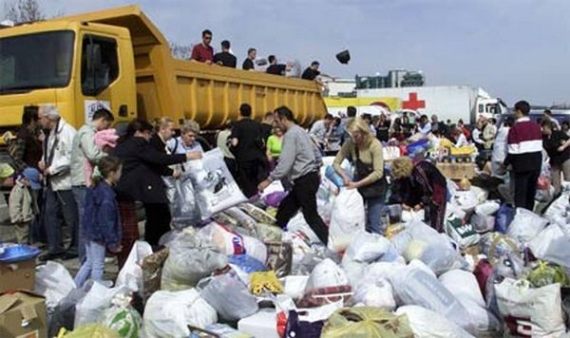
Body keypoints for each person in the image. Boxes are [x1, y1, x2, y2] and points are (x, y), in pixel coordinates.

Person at [113, 119, 196, 252]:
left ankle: (152, 247)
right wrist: (186, 156)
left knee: (138, 223)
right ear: (139, 132)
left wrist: (170, 171)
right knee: (157, 218)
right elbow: (158, 159)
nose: (148, 137)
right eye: (147, 134)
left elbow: (152, 162)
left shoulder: (123, 144)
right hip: (139, 188)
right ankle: (156, 247)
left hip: (124, 188)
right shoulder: (138, 143)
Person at [257, 106, 328, 245]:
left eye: (277, 121)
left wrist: (268, 180)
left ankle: (330, 243)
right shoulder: (301, 131)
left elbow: (285, 164)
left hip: (304, 179)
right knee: (285, 208)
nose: (275, 125)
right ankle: (273, 240)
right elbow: (316, 152)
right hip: (309, 177)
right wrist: (317, 167)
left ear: (284, 119)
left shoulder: (290, 135)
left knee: (311, 216)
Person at [70, 108, 115, 262]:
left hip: (84, 180)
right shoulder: (86, 132)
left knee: (89, 218)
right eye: (107, 125)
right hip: (83, 181)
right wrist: (109, 157)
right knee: (86, 220)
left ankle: (91, 256)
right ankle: (86, 258)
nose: (107, 129)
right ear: (102, 120)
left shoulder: (87, 131)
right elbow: (92, 154)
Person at [38, 105, 79, 261]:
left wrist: (52, 168)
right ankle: (55, 247)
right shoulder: (49, 134)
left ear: (49, 117)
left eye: (41, 117)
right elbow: (48, 153)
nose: (40, 121)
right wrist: (42, 162)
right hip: (51, 182)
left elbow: (70, 157)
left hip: (64, 181)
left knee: (71, 216)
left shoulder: (67, 132)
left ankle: (75, 246)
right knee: (50, 214)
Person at [74, 156, 123, 287]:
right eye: (119, 171)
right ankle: (95, 292)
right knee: (98, 265)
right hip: (98, 234)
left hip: (89, 230)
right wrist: (113, 242)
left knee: (89, 262)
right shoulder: (107, 195)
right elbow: (107, 221)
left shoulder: (95, 186)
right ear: (112, 173)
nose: (121, 174)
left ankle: (75, 286)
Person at [333, 118, 386, 234]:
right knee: (355, 222)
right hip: (358, 185)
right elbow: (336, 163)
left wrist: (356, 184)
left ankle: (377, 248)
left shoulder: (375, 145)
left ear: (364, 133)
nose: (354, 139)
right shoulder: (350, 144)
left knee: (374, 223)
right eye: (351, 136)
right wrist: (344, 176)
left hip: (375, 187)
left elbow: (378, 172)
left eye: (356, 136)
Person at [391, 156, 447, 232]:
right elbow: (404, 190)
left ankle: (437, 234)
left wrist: (421, 204)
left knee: (436, 217)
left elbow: (429, 191)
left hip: (437, 192)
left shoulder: (420, 172)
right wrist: (403, 203)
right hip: (427, 193)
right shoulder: (411, 174)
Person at [505, 100, 542, 211]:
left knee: (520, 194)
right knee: (530, 193)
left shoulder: (515, 129)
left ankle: (520, 217)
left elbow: (513, 151)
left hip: (522, 164)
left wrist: (505, 163)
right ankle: (529, 216)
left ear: (519, 111)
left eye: (515, 111)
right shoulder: (536, 126)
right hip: (536, 162)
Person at [230, 103, 267, 197]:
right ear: (251, 112)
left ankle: (249, 199)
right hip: (256, 158)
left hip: (243, 158)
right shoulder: (257, 125)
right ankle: (256, 197)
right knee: (255, 180)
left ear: (240, 112)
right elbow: (262, 142)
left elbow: (234, 142)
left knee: (245, 182)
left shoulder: (237, 125)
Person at [9, 167, 41, 244]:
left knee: (30, 237)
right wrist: (17, 217)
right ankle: (24, 251)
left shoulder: (28, 188)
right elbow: (14, 205)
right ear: (25, 179)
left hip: (28, 217)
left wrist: (35, 212)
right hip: (21, 219)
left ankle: (30, 248)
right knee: (23, 237)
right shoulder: (18, 190)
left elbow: (32, 201)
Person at [541, 119, 570, 195]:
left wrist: (563, 146)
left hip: (564, 157)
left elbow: (568, 140)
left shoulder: (558, 133)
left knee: (567, 177)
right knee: (555, 179)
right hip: (554, 160)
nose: (542, 130)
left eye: (543, 128)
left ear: (548, 127)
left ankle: (567, 194)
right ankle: (556, 194)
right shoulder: (544, 138)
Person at [9, 107, 43, 172]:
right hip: (30, 177)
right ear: (32, 120)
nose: (42, 120)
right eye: (39, 118)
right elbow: (17, 159)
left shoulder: (34, 133)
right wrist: (30, 172)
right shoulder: (23, 135)